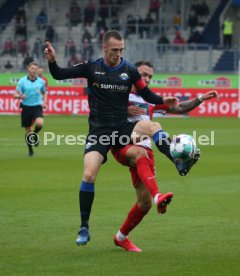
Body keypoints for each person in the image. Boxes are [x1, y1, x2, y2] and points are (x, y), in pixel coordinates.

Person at [44, 30, 181, 246]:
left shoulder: (129, 70)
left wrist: (163, 99)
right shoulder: (92, 67)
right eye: (115, 50)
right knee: (89, 174)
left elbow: (147, 95)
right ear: (104, 48)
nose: (118, 54)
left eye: (121, 50)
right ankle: (84, 226)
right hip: (99, 131)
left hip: (122, 128)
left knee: (153, 126)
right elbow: (59, 74)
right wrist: (52, 61)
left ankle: (176, 159)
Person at [111, 61, 219, 252]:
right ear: (134, 74)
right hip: (123, 142)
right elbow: (100, 110)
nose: (147, 79)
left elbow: (179, 108)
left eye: (150, 76)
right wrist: (122, 110)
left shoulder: (150, 98)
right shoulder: (120, 92)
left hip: (145, 148)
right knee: (152, 133)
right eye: (143, 74)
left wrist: (201, 98)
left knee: (143, 204)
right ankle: (174, 163)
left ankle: (121, 237)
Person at [14, 62, 47, 156]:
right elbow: (15, 95)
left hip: (37, 106)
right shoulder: (22, 81)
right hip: (26, 107)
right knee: (28, 131)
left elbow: (44, 92)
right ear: (29, 69)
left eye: (35, 69)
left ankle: (35, 135)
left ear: (37, 71)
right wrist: (20, 95)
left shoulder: (41, 82)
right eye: (32, 68)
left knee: (40, 123)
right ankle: (30, 150)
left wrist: (44, 102)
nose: (34, 70)